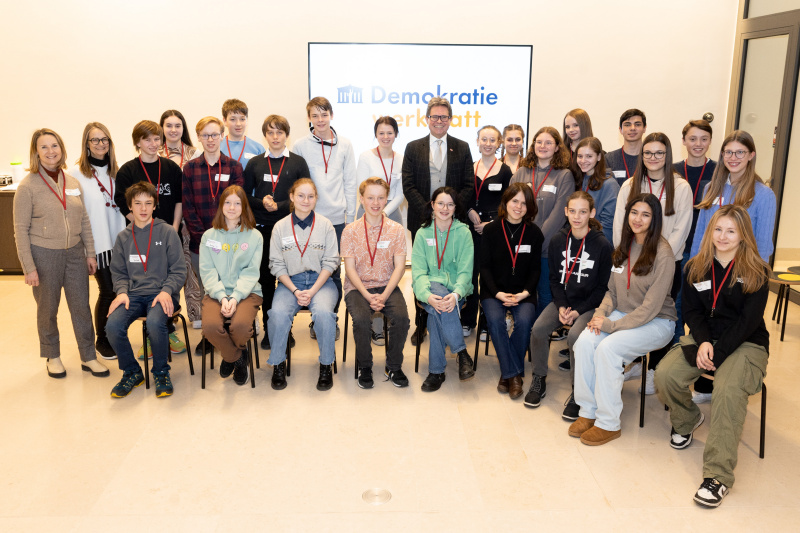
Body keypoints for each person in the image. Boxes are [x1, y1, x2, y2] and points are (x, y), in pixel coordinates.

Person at [655, 205, 770, 508]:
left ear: (743, 234)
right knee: (665, 375)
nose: (723, 236)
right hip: (705, 337)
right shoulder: (696, 266)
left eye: (731, 230)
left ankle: (717, 476)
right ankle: (688, 419)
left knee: (728, 389)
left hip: (746, 343)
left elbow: (748, 322)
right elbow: (692, 311)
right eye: (718, 229)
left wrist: (717, 353)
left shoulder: (757, 270)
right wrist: (704, 342)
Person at [569, 193, 676, 446]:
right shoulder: (623, 247)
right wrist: (599, 315)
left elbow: (650, 307)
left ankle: (608, 423)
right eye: (634, 213)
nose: (638, 219)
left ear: (655, 219)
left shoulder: (663, 253)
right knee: (585, 342)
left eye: (645, 214)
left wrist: (611, 326)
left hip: (658, 321)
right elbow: (612, 292)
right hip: (622, 314)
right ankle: (588, 411)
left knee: (608, 348)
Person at [13, 128, 109, 379]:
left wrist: (90, 253)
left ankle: (88, 356)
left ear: (62, 149)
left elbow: (84, 220)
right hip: (44, 254)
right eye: (44, 147)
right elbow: (20, 230)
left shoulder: (72, 182)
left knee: (81, 307)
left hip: (75, 253)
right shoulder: (28, 186)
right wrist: (29, 267)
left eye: (54, 145)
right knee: (48, 308)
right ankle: (52, 355)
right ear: (36, 152)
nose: (50, 151)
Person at [613, 132, 692, 393]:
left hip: (666, 263)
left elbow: (681, 229)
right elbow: (619, 225)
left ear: (668, 155)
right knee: (632, 307)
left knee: (660, 313)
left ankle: (656, 368)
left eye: (659, 153)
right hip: (632, 261)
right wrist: (622, 255)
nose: (653, 158)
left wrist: (660, 258)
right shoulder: (630, 186)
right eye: (648, 153)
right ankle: (635, 362)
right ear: (642, 156)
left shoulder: (680, 187)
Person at [528, 191, 613, 417]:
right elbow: (555, 280)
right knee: (538, 329)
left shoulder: (603, 245)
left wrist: (578, 311)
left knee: (576, 336)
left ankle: (579, 391)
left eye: (583, 212)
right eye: (572, 211)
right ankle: (539, 378)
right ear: (566, 212)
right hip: (564, 302)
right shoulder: (557, 240)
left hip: (589, 305)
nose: (577, 216)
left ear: (591, 213)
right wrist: (563, 306)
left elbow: (603, 288)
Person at [402, 96, 473, 344]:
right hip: (423, 221)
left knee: (449, 271)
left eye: (444, 117)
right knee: (422, 272)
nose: (439, 121)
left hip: (451, 223)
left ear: (450, 120)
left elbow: (468, 186)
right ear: (427, 119)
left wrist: (448, 209)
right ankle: (421, 325)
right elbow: (408, 185)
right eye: (435, 116)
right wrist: (430, 211)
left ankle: (448, 313)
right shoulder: (413, 147)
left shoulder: (462, 147)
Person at [106, 181, 186, 398]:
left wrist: (167, 290)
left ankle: (161, 372)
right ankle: (132, 372)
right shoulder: (123, 237)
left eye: (148, 203)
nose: (143, 208)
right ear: (130, 206)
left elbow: (179, 270)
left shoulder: (167, 232)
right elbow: (119, 272)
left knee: (154, 322)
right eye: (138, 203)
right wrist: (121, 292)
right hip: (132, 294)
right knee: (112, 326)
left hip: (162, 293)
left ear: (154, 205)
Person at [243, 114, 310, 350]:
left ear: (286, 135)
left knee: (287, 280)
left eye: (279, 132)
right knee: (265, 281)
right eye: (270, 132)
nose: (275, 137)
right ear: (265, 136)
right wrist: (262, 203)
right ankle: (270, 329)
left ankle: (286, 329)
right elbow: (244, 196)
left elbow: (305, 197)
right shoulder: (255, 163)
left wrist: (279, 206)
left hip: (289, 230)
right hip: (261, 231)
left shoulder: (298, 163)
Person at [266, 178, 339, 391]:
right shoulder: (280, 227)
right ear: (291, 197)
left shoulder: (325, 225)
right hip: (290, 283)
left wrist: (312, 290)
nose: (305, 200)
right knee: (277, 314)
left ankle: (326, 364)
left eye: (310, 196)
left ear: (316, 198)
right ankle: (278, 363)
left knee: (325, 315)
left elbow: (331, 262)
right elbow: (276, 264)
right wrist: (296, 290)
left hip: (321, 283)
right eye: (301, 195)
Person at [293, 96, 357, 337]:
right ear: (309, 118)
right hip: (309, 219)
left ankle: (331, 318)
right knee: (310, 269)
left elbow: (350, 182)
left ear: (331, 115)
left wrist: (350, 217)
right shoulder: (300, 145)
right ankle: (315, 319)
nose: (320, 120)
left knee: (335, 272)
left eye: (324, 114)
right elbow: (298, 184)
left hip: (338, 220)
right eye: (314, 115)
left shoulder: (346, 145)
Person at [183, 116, 245, 356]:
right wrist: (206, 238)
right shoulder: (189, 169)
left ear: (222, 135)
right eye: (205, 135)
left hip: (231, 242)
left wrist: (224, 238)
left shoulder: (234, 167)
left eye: (215, 134)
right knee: (208, 290)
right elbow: (188, 208)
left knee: (230, 286)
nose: (210, 139)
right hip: (202, 244)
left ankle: (231, 331)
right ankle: (210, 334)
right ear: (198, 137)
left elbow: (237, 206)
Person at [342, 177, 410, 389]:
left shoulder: (396, 229)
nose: (375, 202)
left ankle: (394, 366)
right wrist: (368, 295)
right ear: (361, 199)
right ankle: (365, 367)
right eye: (370, 197)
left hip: (387, 285)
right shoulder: (350, 230)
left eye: (380, 198)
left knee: (402, 318)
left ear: (387, 199)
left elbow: (399, 267)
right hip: (358, 287)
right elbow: (350, 269)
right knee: (362, 321)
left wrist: (384, 294)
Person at [68, 122, 127, 360]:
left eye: (105, 140)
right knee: (108, 291)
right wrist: (87, 252)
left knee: (119, 291)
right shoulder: (74, 175)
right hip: (97, 245)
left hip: (120, 243)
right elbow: (75, 214)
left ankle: (113, 333)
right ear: (86, 144)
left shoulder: (117, 171)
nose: (101, 144)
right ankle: (102, 340)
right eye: (95, 140)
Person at [479, 183, 543, 399]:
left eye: (524, 203)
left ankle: (507, 373)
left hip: (523, 292)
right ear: (505, 202)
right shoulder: (491, 230)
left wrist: (525, 293)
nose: (519, 206)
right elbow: (484, 266)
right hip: (493, 291)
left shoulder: (534, 233)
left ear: (529, 207)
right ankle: (514, 374)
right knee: (496, 322)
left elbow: (535, 269)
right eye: (514, 201)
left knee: (525, 321)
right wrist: (497, 293)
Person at [411, 186, 475, 392]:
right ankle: (461, 352)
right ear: (432, 205)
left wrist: (455, 295)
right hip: (429, 289)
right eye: (440, 203)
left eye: (450, 204)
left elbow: (466, 272)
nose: (444, 208)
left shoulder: (464, 233)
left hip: (457, 292)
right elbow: (418, 273)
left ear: (456, 208)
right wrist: (427, 296)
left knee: (436, 315)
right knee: (437, 301)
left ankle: (436, 371)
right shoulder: (422, 233)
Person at [199, 185, 263, 386]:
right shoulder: (209, 236)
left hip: (247, 292)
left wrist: (234, 297)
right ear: (221, 206)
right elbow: (207, 271)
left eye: (237, 203)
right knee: (209, 327)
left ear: (244, 207)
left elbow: (251, 272)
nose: (232, 207)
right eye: (228, 202)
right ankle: (236, 358)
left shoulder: (255, 236)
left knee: (241, 327)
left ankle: (229, 357)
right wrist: (221, 296)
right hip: (215, 293)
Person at [672, 120, 717, 397]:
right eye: (692, 138)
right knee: (676, 308)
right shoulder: (674, 171)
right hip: (678, 249)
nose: (697, 143)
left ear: (710, 141)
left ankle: (705, 374)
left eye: (703, 138)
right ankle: (678, 365)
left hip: (709, 252)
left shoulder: (719, 171)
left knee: (706, 311)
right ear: (684, 141)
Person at [510, 126, 573, 319]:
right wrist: (521, 242)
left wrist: (535, 242)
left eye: (548, 142)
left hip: (547, 249)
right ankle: (523, 332)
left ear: (556, 148)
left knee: (545, 294)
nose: (542, 146)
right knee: (520, 292)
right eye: (539, 142)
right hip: (519, 247)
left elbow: (559, 215)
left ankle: (538, 334)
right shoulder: (521, 172)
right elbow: (510, 207)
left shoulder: (564, 175)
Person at [690, 130, 776, 263]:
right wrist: (693, 266)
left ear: (751, 155)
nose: (733, 157)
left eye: (740, 152)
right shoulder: (710, 188)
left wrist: (756, 277)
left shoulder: (764, 194)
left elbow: (763, 244)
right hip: (709, 266)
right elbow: (701, 232)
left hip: (742, 269)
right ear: (722, 155)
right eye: (728, 152)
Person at [463, 125, 513, 336]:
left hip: (494, 230)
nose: (488, 144)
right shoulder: (470, 168)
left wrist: (491, 222)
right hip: (471, 228)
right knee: (470, 275)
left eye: (492, 140)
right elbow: (463, 196)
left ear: (499, 143)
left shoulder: (505, 170)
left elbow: (508, 202)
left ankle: (486, 323)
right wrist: (469, 211)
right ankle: (467, 321)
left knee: (489, 276)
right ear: (477, 141)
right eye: (484, 139)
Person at [159, 110, 202, 330]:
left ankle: (197, 316)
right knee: (168, 272)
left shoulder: (195, 153)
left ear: (183, 128)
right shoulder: (154, 152)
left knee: (192, 271)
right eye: (169, 125)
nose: (173, 130)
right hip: (165, 223)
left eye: (178, 125)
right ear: (162, 128)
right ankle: (168, 317)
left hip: (191, 222)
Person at [355, 116, 404, 225]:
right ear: (376, 135)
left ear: (396, 133)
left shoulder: (402, 159)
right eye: (381, 133)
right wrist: (375, 211)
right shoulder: (365, 157)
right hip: (368, 210)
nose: (385, 137)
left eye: (390, 133)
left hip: (392, 212)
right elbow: (361, 190)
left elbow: (400, 195)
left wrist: (384, 212)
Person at [575, 136, 619, 243]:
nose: (583, 161)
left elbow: (608, 226)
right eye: (580, 156)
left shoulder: (610, 185)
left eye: (589, 156)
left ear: (599, 156)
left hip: (597, 245)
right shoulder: (579, 180)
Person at [219, 98, 265, 170]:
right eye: (233, 119)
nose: (238, 124)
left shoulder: (258, 149)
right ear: (224, 121)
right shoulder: (217, 147)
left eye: (242, 119)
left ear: (247, 120)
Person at [605, 109, 647, 186]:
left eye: (637, 124)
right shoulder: (609, 159)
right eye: (627, 125)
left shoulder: (651, 158)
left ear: (644, 128)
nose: (632, 128)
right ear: (620, 130)